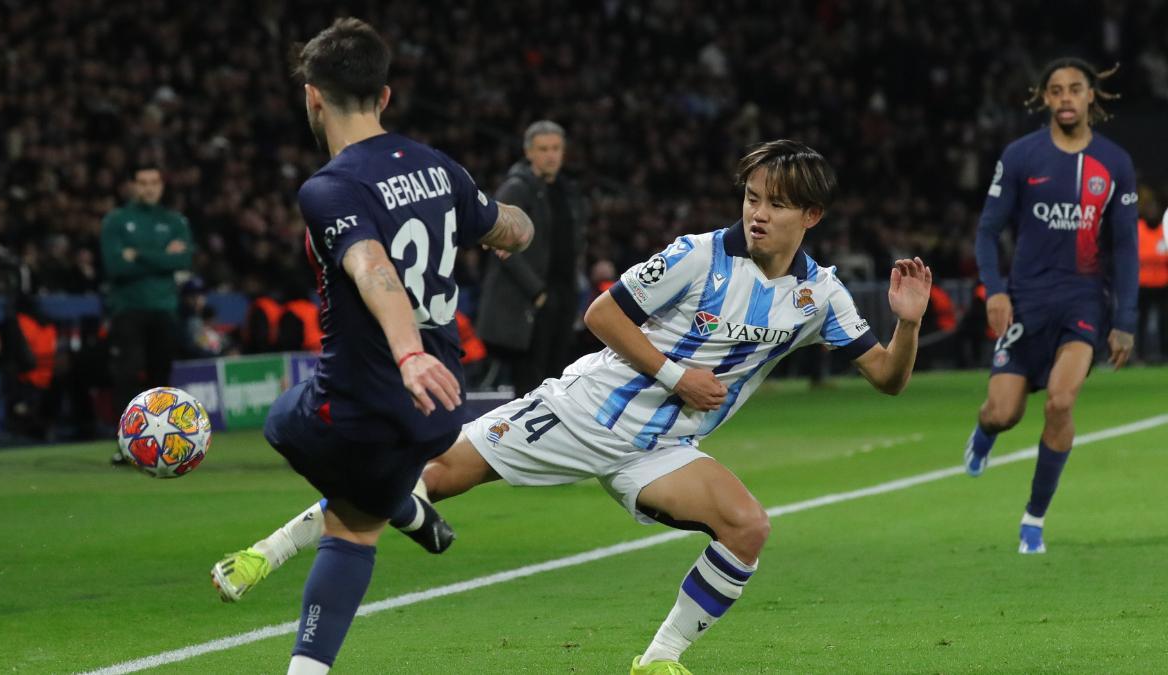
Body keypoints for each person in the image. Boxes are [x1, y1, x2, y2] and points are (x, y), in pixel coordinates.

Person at [211, 140, 931, 674]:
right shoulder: (695, 256)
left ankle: (658, 660)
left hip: (662, 446)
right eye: (751, 197)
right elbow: (601, 315)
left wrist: (907, 322)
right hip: (583, 410)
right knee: (416, 476)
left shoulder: (820, 294)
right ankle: (263, 553)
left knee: (746, 526)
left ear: (812, 213)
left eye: (774, 203)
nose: (757, 214)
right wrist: (678, 372)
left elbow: (887, 378)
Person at [205, 18, 534, 675]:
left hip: (361, 398)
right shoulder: (440, 169)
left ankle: (403, 502)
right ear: (384, 96)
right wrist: (511, 225)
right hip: (439, 406)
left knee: (279, 421)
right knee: (352, 531)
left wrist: (406, 352)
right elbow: (511, 227)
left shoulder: (329, 188)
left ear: (312, 97)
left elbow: (372, 267)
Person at [963, 57, 1138, 554]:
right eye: (1055, 90)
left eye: (1074, 89)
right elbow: (988, 230)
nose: (1065, 98)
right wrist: (995, 290)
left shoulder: (1115, 164)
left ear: (1090, 97)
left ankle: (1033, 520)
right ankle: (985, 429)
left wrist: (1124, 320)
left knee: (1062, 402)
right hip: (1026, 304)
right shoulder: (1021, 156)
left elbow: (1125, 247)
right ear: (1044, 99)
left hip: (1083, 303)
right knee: (1004, 412)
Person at [474, 120, 588, 396]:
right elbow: (500, 245)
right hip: (531, 300)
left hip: (562, 294)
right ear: (529, 152)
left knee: (556, 375)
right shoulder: (516, 188)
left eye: (556, 148)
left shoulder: (567, 190)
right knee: (531, 379)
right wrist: (537, 292)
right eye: (544, 149)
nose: (551, 155)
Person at [100, 163, 194, 464]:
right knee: (127, 374)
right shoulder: (117, 220)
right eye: (142, 182)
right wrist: (163, 257)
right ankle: (126, 445)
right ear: (133, 186)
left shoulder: (174, 220)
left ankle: (160, 446)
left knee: (160, 378)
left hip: (164, 309)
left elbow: (184, 259)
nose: (149, 188)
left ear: (162, 186)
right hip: (127, 308)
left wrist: (138, 254)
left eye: (154, 182)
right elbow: (115, 267)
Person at [1136, 187, 1167, 362]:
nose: (1152, 212)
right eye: (1149, 209)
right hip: (1144, 284)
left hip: (1163, 284)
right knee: (1141, 321)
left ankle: (1164, 353)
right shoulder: (1139, 228)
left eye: (1155, 209)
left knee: (1164, 321)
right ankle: (1140, 354)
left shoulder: (1165, 229)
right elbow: (1135, 254)